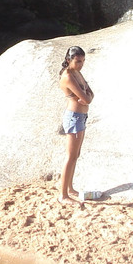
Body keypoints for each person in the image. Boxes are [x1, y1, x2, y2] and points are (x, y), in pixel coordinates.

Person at [58, 45, 93, 203]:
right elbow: (86, 98)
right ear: (68, 60)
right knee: (70, 156)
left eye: (83, 61)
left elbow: (91, 94)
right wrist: (86, 95)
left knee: (75, 155)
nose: (81, 64)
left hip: (81, 117)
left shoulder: (77, 73)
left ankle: (70, 188)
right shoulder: (68, 77)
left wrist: (86, 95)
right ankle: (63, 195)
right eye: (78, 61)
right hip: (74, 117)